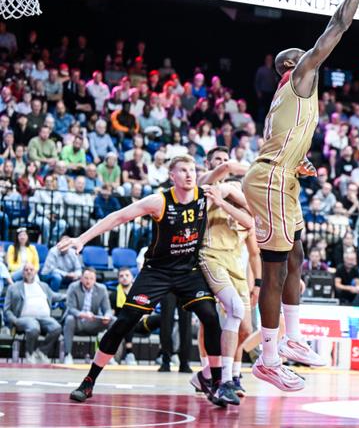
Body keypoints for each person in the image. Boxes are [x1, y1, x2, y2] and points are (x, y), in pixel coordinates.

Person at [241, 0, 359, 392]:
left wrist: (300, 163)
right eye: (306, 56)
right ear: (291, 66)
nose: (315, 60)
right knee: (276, 268)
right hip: (271, 180)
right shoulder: (298, 76)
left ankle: (293, 340)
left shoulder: (292, 97)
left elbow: (284, 141)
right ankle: (269, 357)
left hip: (282, 176)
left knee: (295, 256)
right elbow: (337, 26)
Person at [61, 155, 234, 407]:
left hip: (188, 272)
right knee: (124, 322)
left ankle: (217, 383)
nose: (189, 175)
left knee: (210, 315)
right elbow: (119, 217)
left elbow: (236, 188)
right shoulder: (159, 201)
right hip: (157, 272)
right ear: (171, 176)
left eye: (192, 170)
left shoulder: (206, 195)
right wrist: (82, 239)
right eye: (183, 171)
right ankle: (89, 380)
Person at [190, 147, 265, 399]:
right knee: (208, 320)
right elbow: (225, 173)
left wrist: (257, 283)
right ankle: (214, 374)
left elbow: (254, 244)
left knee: (245, 326)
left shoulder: (236, 199)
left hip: (236, 267)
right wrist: (267, 170)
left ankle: (226, 374)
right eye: (218, 161)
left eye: (225, 159)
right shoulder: (203, 185)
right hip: (207, 259)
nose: (223, 164)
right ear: (208, 163)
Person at [3, 262, 62, 363]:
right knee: (33, 327)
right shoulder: (14, 287)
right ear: (22, 273)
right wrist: (15, 320)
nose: (29, 272)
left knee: (56, 328)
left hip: (44, 318)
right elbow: (6, 309)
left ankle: (41, 352)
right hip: (23, 319)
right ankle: (29, 353)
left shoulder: (43, 286)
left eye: (31, 270)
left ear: (35, 272)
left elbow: (56, 296)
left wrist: (69, 295)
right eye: (26, 270)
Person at [62, 268, 113, 365]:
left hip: (94, 321)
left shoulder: (102, 289)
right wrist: (82, 315)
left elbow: (108, 309)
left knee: (113, 321)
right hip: (78, 321)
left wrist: (107, 316)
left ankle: (108, 356)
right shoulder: (73, 287)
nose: (88, 281)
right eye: (86, 278)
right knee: (69, 319)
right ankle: (67, 355)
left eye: (91, 278)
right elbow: (70, 308)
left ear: (95, 280)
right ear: (81, 278)